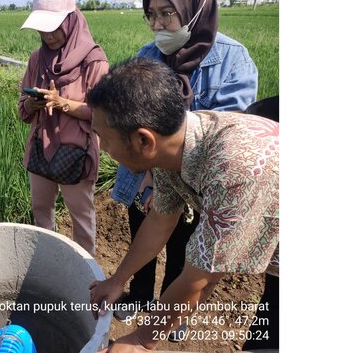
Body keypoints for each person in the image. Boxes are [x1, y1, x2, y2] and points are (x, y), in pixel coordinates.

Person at [87, 57, 278, 352]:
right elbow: (160, 220)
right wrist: (118, 279)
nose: (103, 148)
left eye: (104, 138)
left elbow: (201, 279)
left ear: (143, 140)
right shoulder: (176, 141)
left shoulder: (233, 168)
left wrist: (140, 340)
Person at [110, 0, 259, 334]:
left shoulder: (232, 60)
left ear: (195, 10)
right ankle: (140, 296)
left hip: (198, 181)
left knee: (185, 244)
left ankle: (172, 309)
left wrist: (162, 174)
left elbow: (226, 133)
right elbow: (137, 122)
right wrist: (149, 176)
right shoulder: (148, 56)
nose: (157, 24)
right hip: (144, 172)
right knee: (142, 230)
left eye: (167, 13)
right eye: (150, 15)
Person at [18, 0, 109, 255]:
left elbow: (104, 115)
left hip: (76, 153)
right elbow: (22, 109)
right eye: (42, 29)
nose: (48, 35)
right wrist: (32, 104)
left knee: (81, 219)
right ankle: (49, 264)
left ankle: (85, 278)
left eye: (54, 28)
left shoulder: (94, 61)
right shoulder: (37, 58)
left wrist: (61, 103)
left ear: (71, 20)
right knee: (41, 212)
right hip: (40, 149)